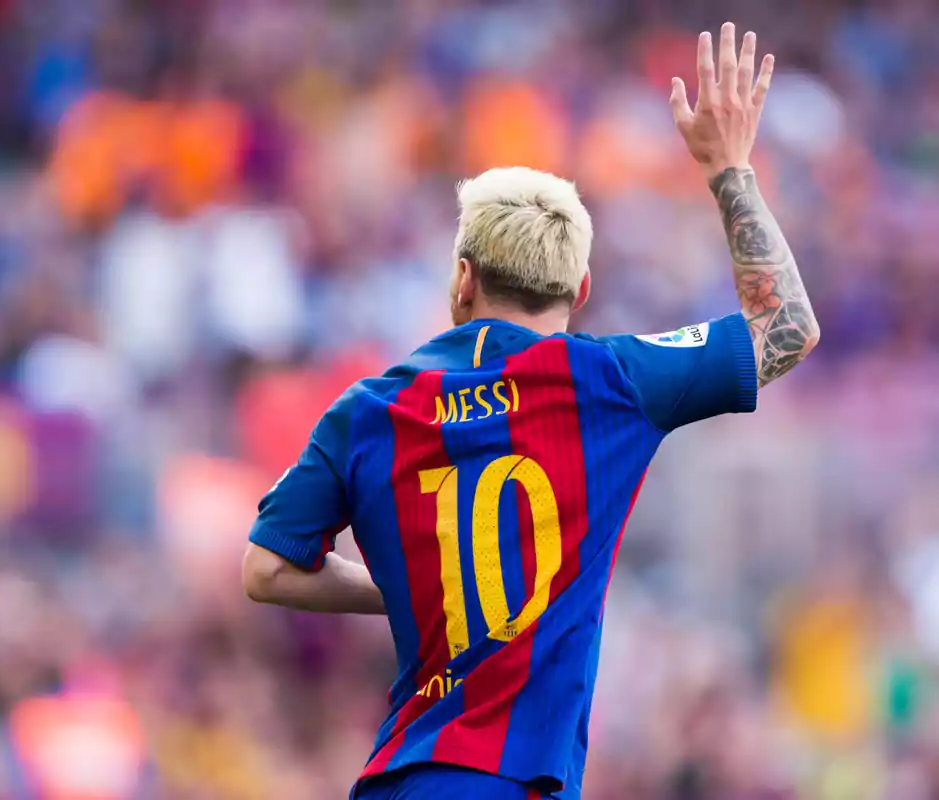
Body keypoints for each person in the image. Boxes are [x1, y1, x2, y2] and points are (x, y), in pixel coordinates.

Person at [242, 23, 819, 800]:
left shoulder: (368, 409)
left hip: (398, 781)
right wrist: (730, 170)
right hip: (514, 782)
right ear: (579, 293)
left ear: (462, 278)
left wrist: (415, 587)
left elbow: (268, 568)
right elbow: (787, 330)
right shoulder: (613, 382)